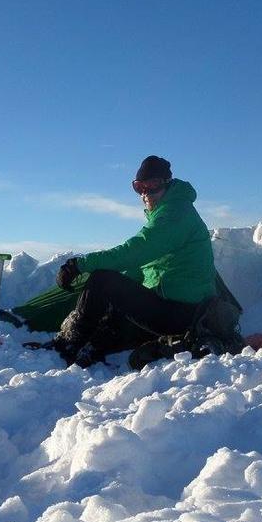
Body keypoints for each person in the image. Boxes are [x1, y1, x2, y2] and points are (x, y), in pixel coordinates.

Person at [50, 155, 218, 367]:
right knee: (115, 306)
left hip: (183, 312)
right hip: (177, 306)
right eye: (140, 187)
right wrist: (119, 294)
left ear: (166, 183)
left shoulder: (175, 213)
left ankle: (68, 343)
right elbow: (144, 267)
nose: (146, 193)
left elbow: (135, 251)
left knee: (103, 280)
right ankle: (93, 348)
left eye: (152, 185)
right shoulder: (169, 211)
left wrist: (80, 265)